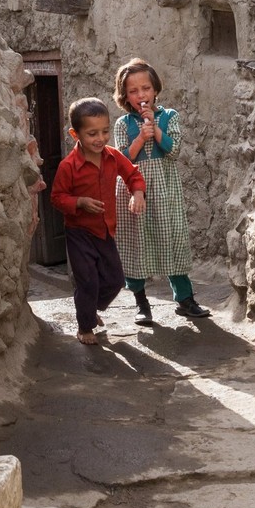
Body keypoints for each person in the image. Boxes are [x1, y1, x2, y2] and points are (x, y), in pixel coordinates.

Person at [111, 59, 211, 324]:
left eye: (145, 88)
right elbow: (123, 160)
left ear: (155, 89)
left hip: (165, 188)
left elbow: (174, 151)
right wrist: (140, 138)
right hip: (133, 190)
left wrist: (154, 129)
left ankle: (185, 299)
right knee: (136, 243)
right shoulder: (123, 123)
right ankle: (141, 303)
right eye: (133, 91)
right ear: (125, 96)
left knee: (172, 239)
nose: (141, 95)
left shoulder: (170, 117)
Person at [50, 97, 145, 345]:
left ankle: (90, 308)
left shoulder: (112, 156)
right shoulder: (68, 166)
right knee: (88, 281)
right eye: (92, 133)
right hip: (79, 232)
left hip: (105, 230)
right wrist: (79, 202)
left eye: (105, 131)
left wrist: (137, 193)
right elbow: (57, 198)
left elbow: (133, 174)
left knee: (115, 280)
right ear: (75, 134)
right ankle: (85, 327)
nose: (100, 139)